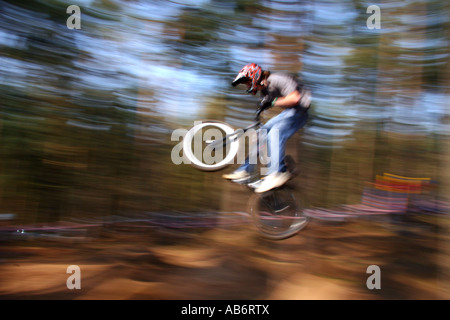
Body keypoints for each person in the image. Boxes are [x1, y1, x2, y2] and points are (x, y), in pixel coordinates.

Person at [222, 63, 310, 193]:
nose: (247, 86)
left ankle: (276, 173)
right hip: (288, 112)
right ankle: (245, 171)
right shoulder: (265, 91)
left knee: (275, 133)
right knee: (261, 133)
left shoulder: (277, 79)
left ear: (254, 76)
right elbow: (268, 102)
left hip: (299, 111)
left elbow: (295, 98)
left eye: (247, 82)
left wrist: (273, 102)